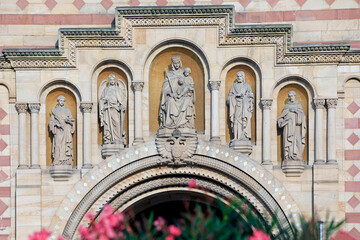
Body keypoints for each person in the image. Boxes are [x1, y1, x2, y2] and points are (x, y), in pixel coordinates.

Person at [159, 56, 195, 129]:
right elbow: (165, 89)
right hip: (172, 96)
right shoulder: (169, 75)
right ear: (173, 64)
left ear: (180, 63)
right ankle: (171, 122)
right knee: (170, 101)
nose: (176, 65)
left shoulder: (184, 73)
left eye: (178, 63)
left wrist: (184, 93)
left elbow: (188, 85)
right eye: (175, 63)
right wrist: (170, 93)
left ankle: (185, 123)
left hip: (182, 96)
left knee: (187, 100)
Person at [277, 91, 306, 161]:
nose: (291, 97)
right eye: (289, 96)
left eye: (292, 96)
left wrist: (296, 111)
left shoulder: (298, 106)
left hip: (297, 127)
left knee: (298, 141)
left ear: (295, 96)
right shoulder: (287, 106)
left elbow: (303, 117)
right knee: (288, 142)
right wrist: (282, 122)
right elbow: (281, 117)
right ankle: (289, 156)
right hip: (288, 128)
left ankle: (298, 156)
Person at [99, 74, 127, 145]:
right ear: (109, 81)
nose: (112, 81)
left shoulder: (118, 89)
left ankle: (117, 138)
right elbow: (101, 99)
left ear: (115, 81)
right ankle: (108, 139)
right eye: (110, 80)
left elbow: (122, 100)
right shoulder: (106, 89)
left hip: (115, 109)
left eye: (113, 80)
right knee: (107, 124)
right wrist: (105, 100)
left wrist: (121, 105)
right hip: (107, 109)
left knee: (117, 122)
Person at [227, 71, 254, 141]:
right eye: (238, 76)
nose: (239, 78)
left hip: (244, 106)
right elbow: (229, 97)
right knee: (236, 121)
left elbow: (251, 96)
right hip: (236, 106)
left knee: (243, 121)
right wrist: (236, 95)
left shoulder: (247, 86)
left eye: (240, 76)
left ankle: (244, 136)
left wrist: (245, 97)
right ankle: (236, 137)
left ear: (243, 77)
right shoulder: (234, 86)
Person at [49, 95, 75, 166]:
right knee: (58, 145)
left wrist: (68, 120)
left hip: (66, 129)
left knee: (65, 145)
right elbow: (51, 121)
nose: (62, 102)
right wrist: (56, 124)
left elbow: (72, 120)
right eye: (60, 100)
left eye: (63, 101)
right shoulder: (55, 111)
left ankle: (66, 160)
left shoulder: (67, 110)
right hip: (58, 130)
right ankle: (57, 161)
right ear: (58, 101)